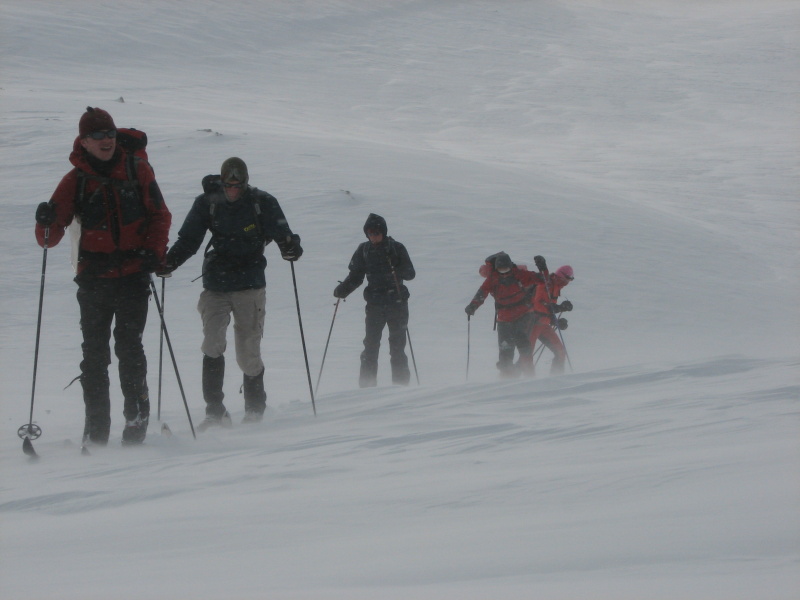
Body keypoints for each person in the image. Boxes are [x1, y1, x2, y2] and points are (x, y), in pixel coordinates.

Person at [34, 106, 171, 446]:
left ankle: (136, 425)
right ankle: (97, 430)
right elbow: (49, 238)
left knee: (130, 349)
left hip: (132, 277)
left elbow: (160, 215)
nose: (106, 140)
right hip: (94, 279)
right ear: (83, 141)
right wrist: (45, 220)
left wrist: (151, 253)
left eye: (109, 134)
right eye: (97, 135)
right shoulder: (75, 180)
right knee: (94, 355)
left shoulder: (137, 169)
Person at [159, 157, 302, 427]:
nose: (233, 190)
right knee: (212, 344)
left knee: (248, 348)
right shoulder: (207, 203)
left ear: (246, 183)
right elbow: (189, 239)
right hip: (216, 283)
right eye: (228, 185)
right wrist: (170, 261)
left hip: (250, 284)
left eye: (238, 185)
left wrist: (291, 247)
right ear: (222, 182)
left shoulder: (262, 202)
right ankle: (215, 411)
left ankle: (255, 408)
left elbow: (284, 234)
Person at [333, 213, 416, 387]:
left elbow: (410, 274)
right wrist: (343, 290)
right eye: (370, 233)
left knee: (397, 347)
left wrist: (397, 266)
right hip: (374, 305)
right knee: (370, 346)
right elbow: (356, 276)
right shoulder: (364, 250)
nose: (373, 236)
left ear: (383, 232)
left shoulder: (396, 248)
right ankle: (367, 387)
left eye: (376, 232)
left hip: (397, 303)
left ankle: (401, 387)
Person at [465, 252, 542, 377]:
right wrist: (473, 306)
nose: (504, 273)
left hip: (523, 314)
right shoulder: (493, 279)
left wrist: (543, 269)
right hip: (504, 319)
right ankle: (506, 379)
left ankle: (530, 376)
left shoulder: (519, 274)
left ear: (510, 267)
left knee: (522, 341)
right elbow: (482, 292)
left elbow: (541, 279)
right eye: (501, 270)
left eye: (506, 269)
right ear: (496, 268)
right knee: (505, 350)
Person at [527, 256, 574, 375]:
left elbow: (548, 308)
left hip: (544, 325)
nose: (567, 283)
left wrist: (556, 322)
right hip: (533, 323)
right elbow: (538, 305)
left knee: (560, 352)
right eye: (565, 280)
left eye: (569, 281)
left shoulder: (557, 287)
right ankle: (524, 380)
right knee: (527, 355)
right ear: (560, 276)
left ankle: (556, 378)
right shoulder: (545, 284)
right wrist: (558, 309)